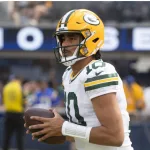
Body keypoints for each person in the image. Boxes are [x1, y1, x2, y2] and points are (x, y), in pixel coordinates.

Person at [25, 9, 134, 150]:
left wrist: (64, 127)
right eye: (62, 38)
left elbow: (115, 136)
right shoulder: (68, 74)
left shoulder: (98, 73)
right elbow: (86, 131)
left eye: (72, 38)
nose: (64, 45)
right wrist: (53, 129)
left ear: (91, 39)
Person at [3, 75, 25, 150]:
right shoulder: (20, 87)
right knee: (19, 136)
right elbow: (23, 101)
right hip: (18, 114)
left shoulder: (6, 87)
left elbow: (4, 100)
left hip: (8, 113)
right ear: (18, 79)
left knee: (7, 136)